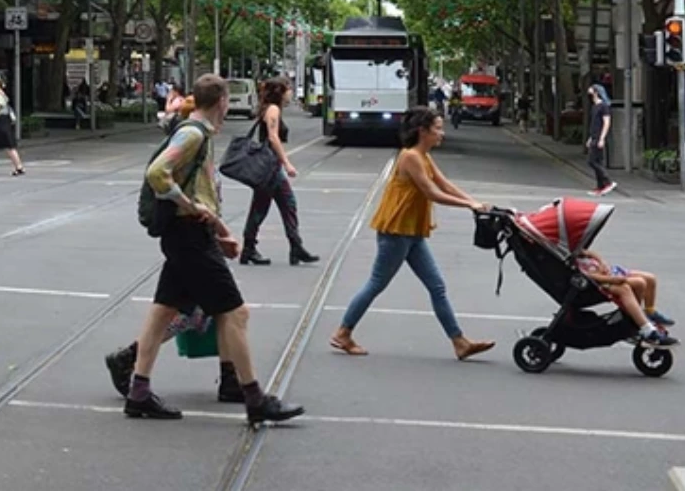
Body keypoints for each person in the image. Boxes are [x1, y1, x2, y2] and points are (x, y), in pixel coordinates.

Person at [119, 74, 302, 425]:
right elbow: (159, 173)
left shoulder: (200, 133)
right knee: (234, 313)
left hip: (188, 234)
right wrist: (188, 205)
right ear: (221, 101)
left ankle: (138, 393)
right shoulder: (193, 133)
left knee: (162, 312)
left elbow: (202, 192)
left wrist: (219, 230)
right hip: (188, 236)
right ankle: (254, 398)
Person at [329, 107, 496, 359]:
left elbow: (444, 183)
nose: (442, 133)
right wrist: (468, 205)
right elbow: (432, 192)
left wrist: (475, 201)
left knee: (436, 286)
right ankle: (343, 332)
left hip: (412, 232)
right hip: (396, 231)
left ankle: (459, 342)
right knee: (377, 283)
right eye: (438, 128)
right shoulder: (410, 157)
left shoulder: (424, 156)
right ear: (423, 131)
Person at [239, 77, 318, 267]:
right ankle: (290, 247)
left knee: (270, 206)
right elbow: (273, 138)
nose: (291, 92)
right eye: (288, 89)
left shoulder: (270, 108)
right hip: (270, 167)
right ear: (281, 92)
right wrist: (287, 162)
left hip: (269, 167)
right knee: (278, 205)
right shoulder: (273, 109)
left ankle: (290, 247)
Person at [574, 248, 676, 347]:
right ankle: (644, 327)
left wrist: (602, 263)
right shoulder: (576, 264)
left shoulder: (578, 251)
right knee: (639, 283)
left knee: (650, 278)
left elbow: (591, 253)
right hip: (604, 282)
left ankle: (649, 312)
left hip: (611, 272)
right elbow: (592, 277)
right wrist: (612, 279)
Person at [585, 84, 617, 196]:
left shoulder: (604, 106)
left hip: (599, 137)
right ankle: (600, 186)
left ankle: (608, 182)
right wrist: (590, 137)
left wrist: (602, 138)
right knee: (596, 161)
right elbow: (594, 124)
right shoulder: (595, 106)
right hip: (594, 136)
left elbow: (606, 123)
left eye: (591, 89)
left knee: (592, 161)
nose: (589, 91)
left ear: (596, 92)